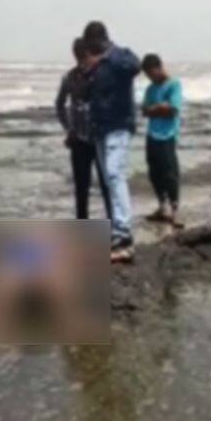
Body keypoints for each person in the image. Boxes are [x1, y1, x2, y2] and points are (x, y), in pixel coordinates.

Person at [82, 21, 141, 263]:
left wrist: (105, 57)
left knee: (116, 174)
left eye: (91, 44)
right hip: (100, 129)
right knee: (108, 179)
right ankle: (118, 231)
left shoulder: (120, 56)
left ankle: (123, 234)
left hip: (118, 125)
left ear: (101, 40)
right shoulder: (96, 66)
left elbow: (135, 66)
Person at [55, 37, 111, 221]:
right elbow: (59, 105)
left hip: (97, 137)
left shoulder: (99, 75)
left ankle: (112, 226)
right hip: (81, 139)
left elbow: (60, 106)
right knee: (83, 188)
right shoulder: (71, 77)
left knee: (103, 185)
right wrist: (69, 128)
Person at [141, 53, 184, 229]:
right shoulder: (150, 89)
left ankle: (175, 209)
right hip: (152, 134)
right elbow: (144, 111)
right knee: (154, 172)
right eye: (147, 75)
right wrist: (160, 107)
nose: (150, 78)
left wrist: (156, 108)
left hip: (168, 135)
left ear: (159, 68)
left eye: (151, 73)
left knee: (170, 173)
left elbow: (173, 110)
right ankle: (162, 206)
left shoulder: (174, 84)